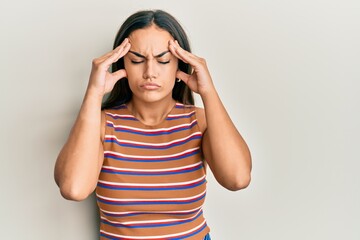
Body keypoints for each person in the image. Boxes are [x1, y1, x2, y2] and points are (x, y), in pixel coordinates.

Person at [54, 9, 252, 240]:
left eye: (163, 60)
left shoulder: (199, 122)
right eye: (137, 60)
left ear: (180, 63)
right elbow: (73, 188)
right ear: (121, 65)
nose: (150, 72)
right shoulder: (101, 124)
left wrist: (208, 91)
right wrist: (94, 93)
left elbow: (238, 179)